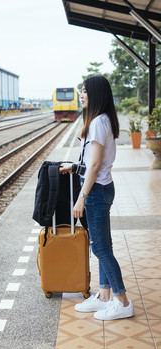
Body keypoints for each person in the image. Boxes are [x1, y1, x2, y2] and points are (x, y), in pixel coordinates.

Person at [59, 76, 134, 321]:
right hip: (99, 188)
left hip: (96, 191)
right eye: (81, 91)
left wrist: (81, 197)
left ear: (96, 95)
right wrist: (73, 166)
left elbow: (95, 165)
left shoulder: (98, 123)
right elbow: (90, 163)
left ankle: (122, 302)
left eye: (85, 92)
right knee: (103, 246)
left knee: (101, 248)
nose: (81, 96)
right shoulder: (99, 121)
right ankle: (103, 296)